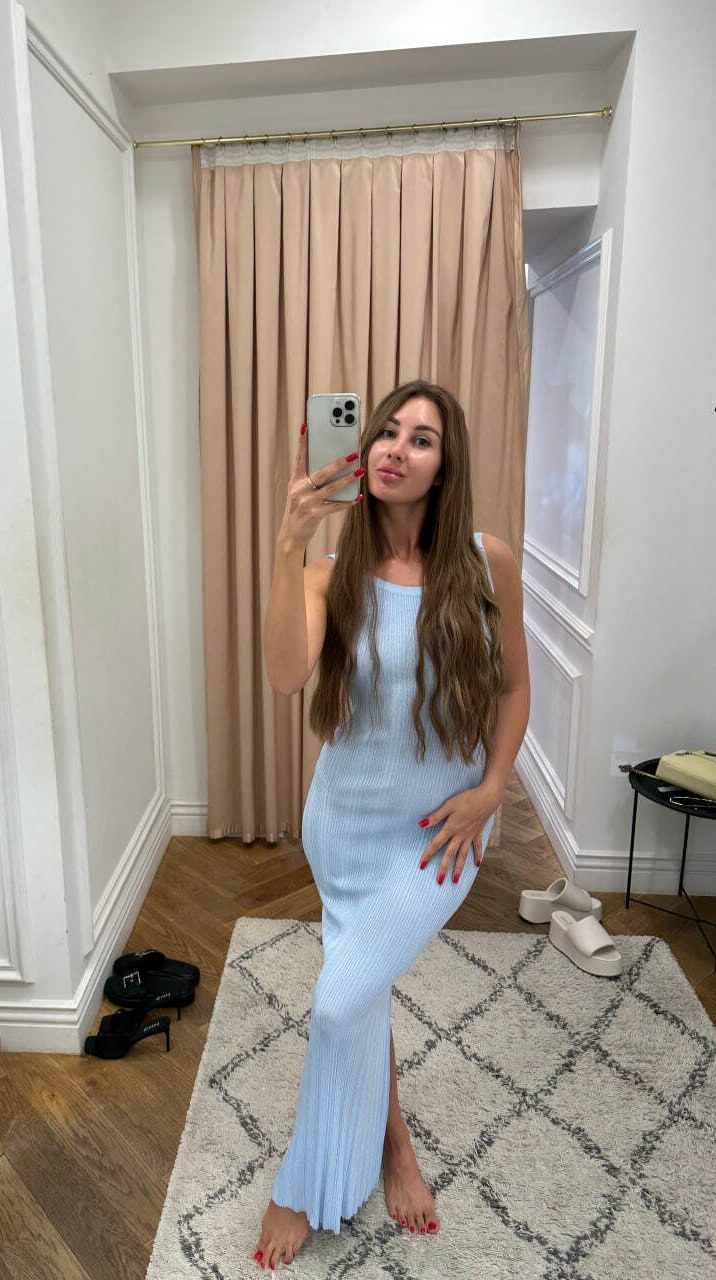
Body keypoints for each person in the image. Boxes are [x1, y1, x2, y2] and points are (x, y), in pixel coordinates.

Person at [253, 379, 529, 1270]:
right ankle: (394, 1144)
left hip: (442, 830)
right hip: (343, 825)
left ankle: (301, 1184)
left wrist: (491, 791)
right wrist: (290, 542)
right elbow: (286, 677)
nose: (395, 449)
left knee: (339, 1000)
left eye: (422, 439)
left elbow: (514, 689)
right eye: (386, 432)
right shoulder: (330, 577)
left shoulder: (487, 564)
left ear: (445, 469)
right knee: (361, 992)